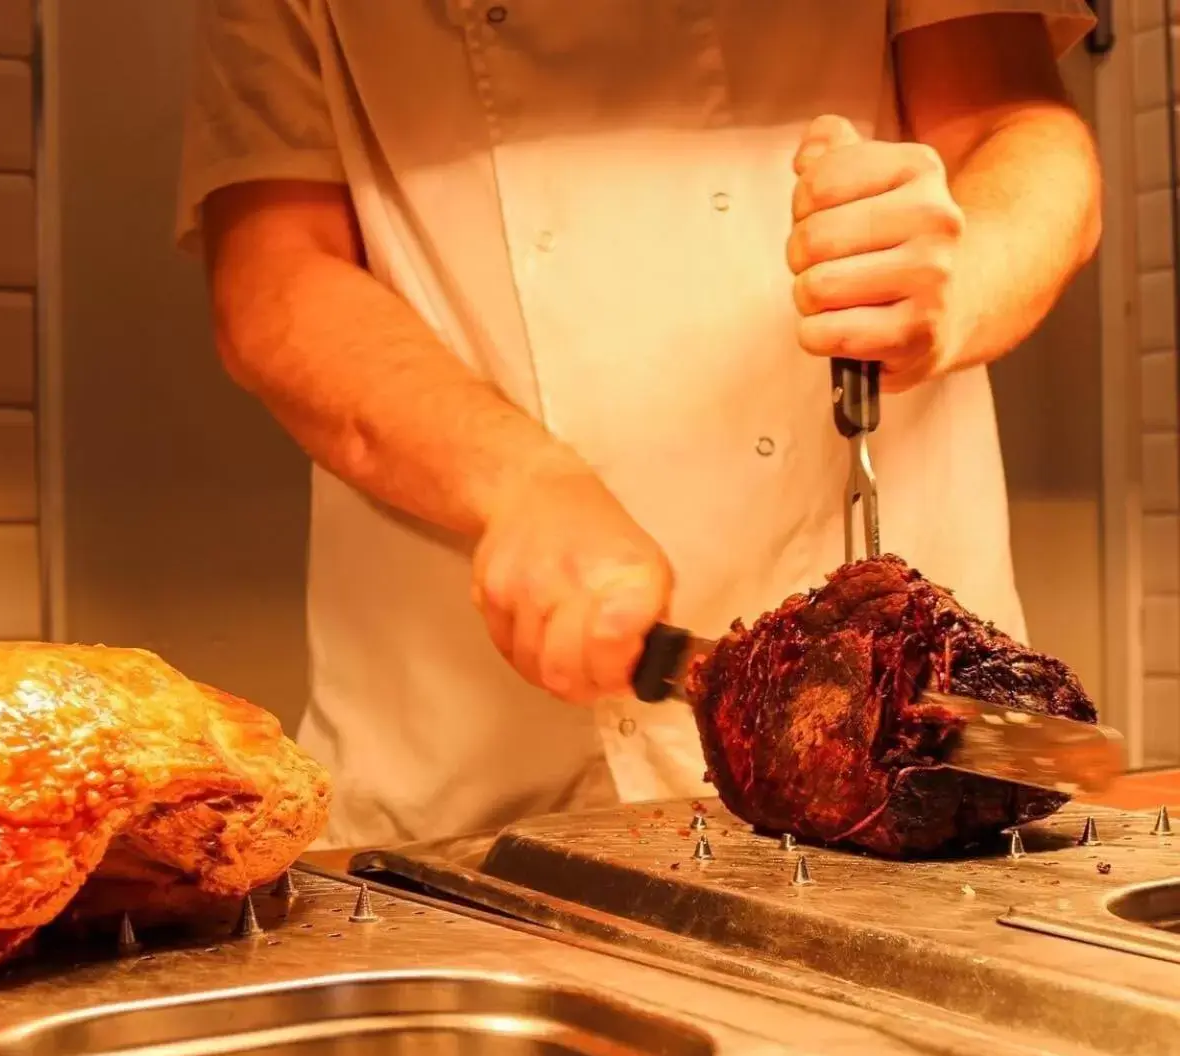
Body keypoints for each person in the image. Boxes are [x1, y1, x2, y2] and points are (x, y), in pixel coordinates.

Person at [177, 1, 1102, 849]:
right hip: (469, 754)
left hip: (927, 744)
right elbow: (273, 276)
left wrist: (965, 272)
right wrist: (518, 482)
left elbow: (1016, 128)